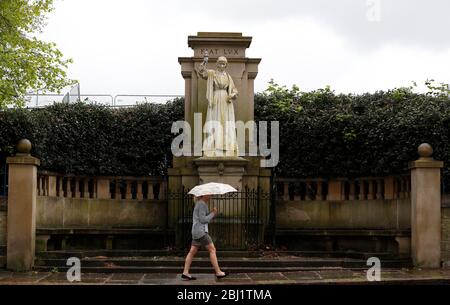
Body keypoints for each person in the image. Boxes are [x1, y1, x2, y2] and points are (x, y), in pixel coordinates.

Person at [197, 56, 239, 157]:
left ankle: (226, 146)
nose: (222, 65)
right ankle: (213, 146)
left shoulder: (228, 77)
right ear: (216, 63)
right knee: (215, 120)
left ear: (226, 65)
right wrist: (204, 62)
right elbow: (202, 73)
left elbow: (234, 90)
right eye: (220, 62)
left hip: (226, 100)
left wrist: (232, 95)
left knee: (226, 123)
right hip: (215, 99)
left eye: (224, 63)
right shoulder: (212, 73)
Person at [181, 194, 228, 280]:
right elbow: (203, 220)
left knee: (192, 252)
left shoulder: (199, 203)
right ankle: (218, 272)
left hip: (195, 231)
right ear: (204, 195)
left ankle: (185, 272)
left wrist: (210, 213)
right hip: (201, 232)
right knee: (212, 249)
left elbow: (201, 218)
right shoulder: (202, 204)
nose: (210, 195)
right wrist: (213, 213)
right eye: (209, 193)